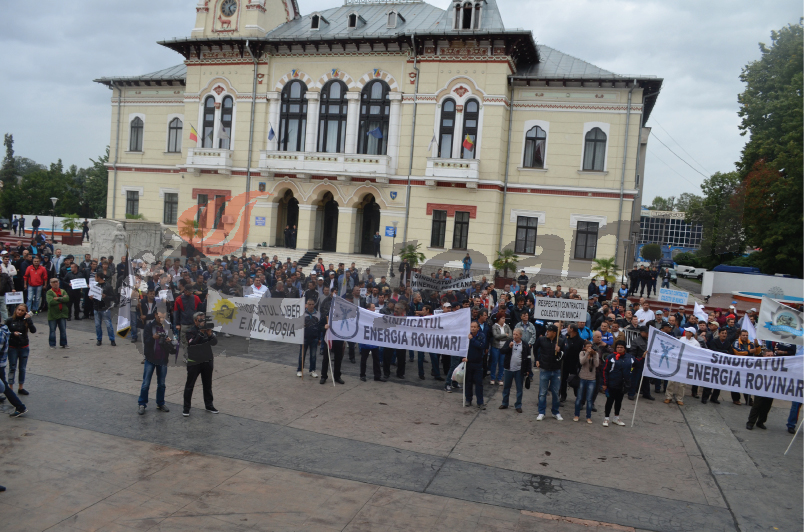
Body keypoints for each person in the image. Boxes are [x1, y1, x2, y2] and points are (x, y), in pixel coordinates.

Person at [183, 312, 218, 416]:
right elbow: (193, 343)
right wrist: (201, 333)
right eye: (200, 320)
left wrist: (210, 334)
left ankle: (209, 405)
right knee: (190, 385)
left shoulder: (207, 330)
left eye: (204, 320)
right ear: (195, 321)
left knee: (207, 385)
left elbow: (214, 343)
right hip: (194, 362)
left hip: (207, 361)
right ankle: (186, 408)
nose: (203, 322)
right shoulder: (190, 331)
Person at [138, 310, 171, 415]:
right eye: (160, 315)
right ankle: (142, 404)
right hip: (151, 358)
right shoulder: (149, 326)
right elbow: (146, 342)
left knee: (161, 384)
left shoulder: (168, 326)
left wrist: (170, 342)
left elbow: (174, 345)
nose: (161, 317)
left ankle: (160, 403)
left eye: (163, 315)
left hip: (162, 359)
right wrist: (153, 338)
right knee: (146, 383)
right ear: (156, 314)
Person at [5, 304, 35, 397]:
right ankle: (10, 388)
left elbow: (33, 330)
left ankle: (21, 387)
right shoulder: (9, 320)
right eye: (19, 310)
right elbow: (4, 332)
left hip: (24, 346)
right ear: (15, 310)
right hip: (12, 347)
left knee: (22, 368)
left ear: (25, 312)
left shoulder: (25, 320)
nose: (20, 312)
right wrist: (13, 334)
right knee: (12, 367)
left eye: (22, 311)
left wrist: (29, 319)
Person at [535, 324, 563, 421]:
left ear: (554, 333)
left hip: (556, 370)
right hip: (544, 369)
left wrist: (559, 351)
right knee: (542, 392)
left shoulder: (561, 341)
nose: (547, 332)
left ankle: (555, 412)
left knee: (555, 393)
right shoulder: (542, 340)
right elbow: (535, 348)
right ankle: (541, 412)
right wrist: (537, 359)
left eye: (549, 331)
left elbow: (565, 354)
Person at [601, 340, 632, 426]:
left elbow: (637, 363)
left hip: (622, 384)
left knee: (619, 401)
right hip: (612, 383)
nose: (619, 349)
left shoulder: (629, 357)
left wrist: (644, 357)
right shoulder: (610, 357)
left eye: (621, 347)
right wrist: (604, 383)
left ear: (624, 348)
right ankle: (606, 418)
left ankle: (616, 418)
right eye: (618, 347)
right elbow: (605, 371)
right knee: (609, 401)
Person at [0, 321, 27, 417]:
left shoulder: (0, 333)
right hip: (1, 363)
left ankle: (20, 407)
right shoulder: (4, 329)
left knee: (5, 387)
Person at [746, 348, 776, 430]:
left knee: (767, 406)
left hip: (770, 388)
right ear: (764, 356)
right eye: (768, 355)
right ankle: (751, 422)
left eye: (772, 355)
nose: (770, 357)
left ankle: (761, 422)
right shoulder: (759, 364)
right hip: (760, 387)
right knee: (757, 405)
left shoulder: (776, 365)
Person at [462, 321, 486, 409]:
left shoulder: (481, 336)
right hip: (468, 363)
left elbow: (481, 346)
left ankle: (480, 402)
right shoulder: (467, 336)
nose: (473, 328)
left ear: (478, 328)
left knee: (479, 383)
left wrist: (472, 339)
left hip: (478, 363)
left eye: (475, 327)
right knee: (468, 382)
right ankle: (468, 399)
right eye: (471, 326)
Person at [574, 341, 599, 423]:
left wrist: (594, 355)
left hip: (592, 379)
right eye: (588, 347)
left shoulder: (596, 354)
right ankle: (576, 415)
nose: (590, 348)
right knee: (579, 398)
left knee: (589, 399)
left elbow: (596, 364)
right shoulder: (582, 353)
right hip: (582, 377)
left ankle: (588, 417)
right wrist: (587, 354)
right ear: (584, 347)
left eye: (591, 347)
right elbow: (582, 362)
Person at [93, 272, 117, 346]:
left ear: (99, 277)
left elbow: (113, 297)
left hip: (105, 308)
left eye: (95, 276)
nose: (94, 278)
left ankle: (112, 339)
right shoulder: (96, 286)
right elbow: (94, 297)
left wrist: (105, 297)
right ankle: (99, 339)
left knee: (108, 325)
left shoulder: (108, 286)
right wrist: (92, 297)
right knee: (97, 325)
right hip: (97, 308)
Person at [46, 278, 69, 349]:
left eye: (56, 282)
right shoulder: (49, 292)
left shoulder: (63, 291)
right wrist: (62, 299)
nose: (55, 283)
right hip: (52, 314)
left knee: (63, 330)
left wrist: (58, 298)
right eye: (53, 282)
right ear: (51, 284)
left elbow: (67, 299)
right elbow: (51, 302)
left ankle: (64, 343)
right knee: (52, 330)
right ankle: (52, 344)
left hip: (62, 314)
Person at [298, 299, 319, 378]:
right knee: (302, 355)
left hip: (314, 337)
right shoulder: (302, 313)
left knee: (313, 355)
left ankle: (312, 370)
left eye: (312, 304)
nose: (311, 306)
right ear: (306, 305)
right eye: (309, 304)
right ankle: (300, 370)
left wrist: (319, 338)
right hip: (304, 337)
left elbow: (319, 326)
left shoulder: (317, 314)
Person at [490, 312, 511, 385]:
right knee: (494, 363)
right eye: (502, 318)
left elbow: (510, 336)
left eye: (504, 318)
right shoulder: (494, 326)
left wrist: (501, 337)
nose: (504, 320)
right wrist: (505, 335)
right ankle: (492, 378)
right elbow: (495, 336)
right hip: (495, 347)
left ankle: (500, 378)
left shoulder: (507, 326)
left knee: (502, 364)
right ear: (499, 319)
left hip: (504, 348)